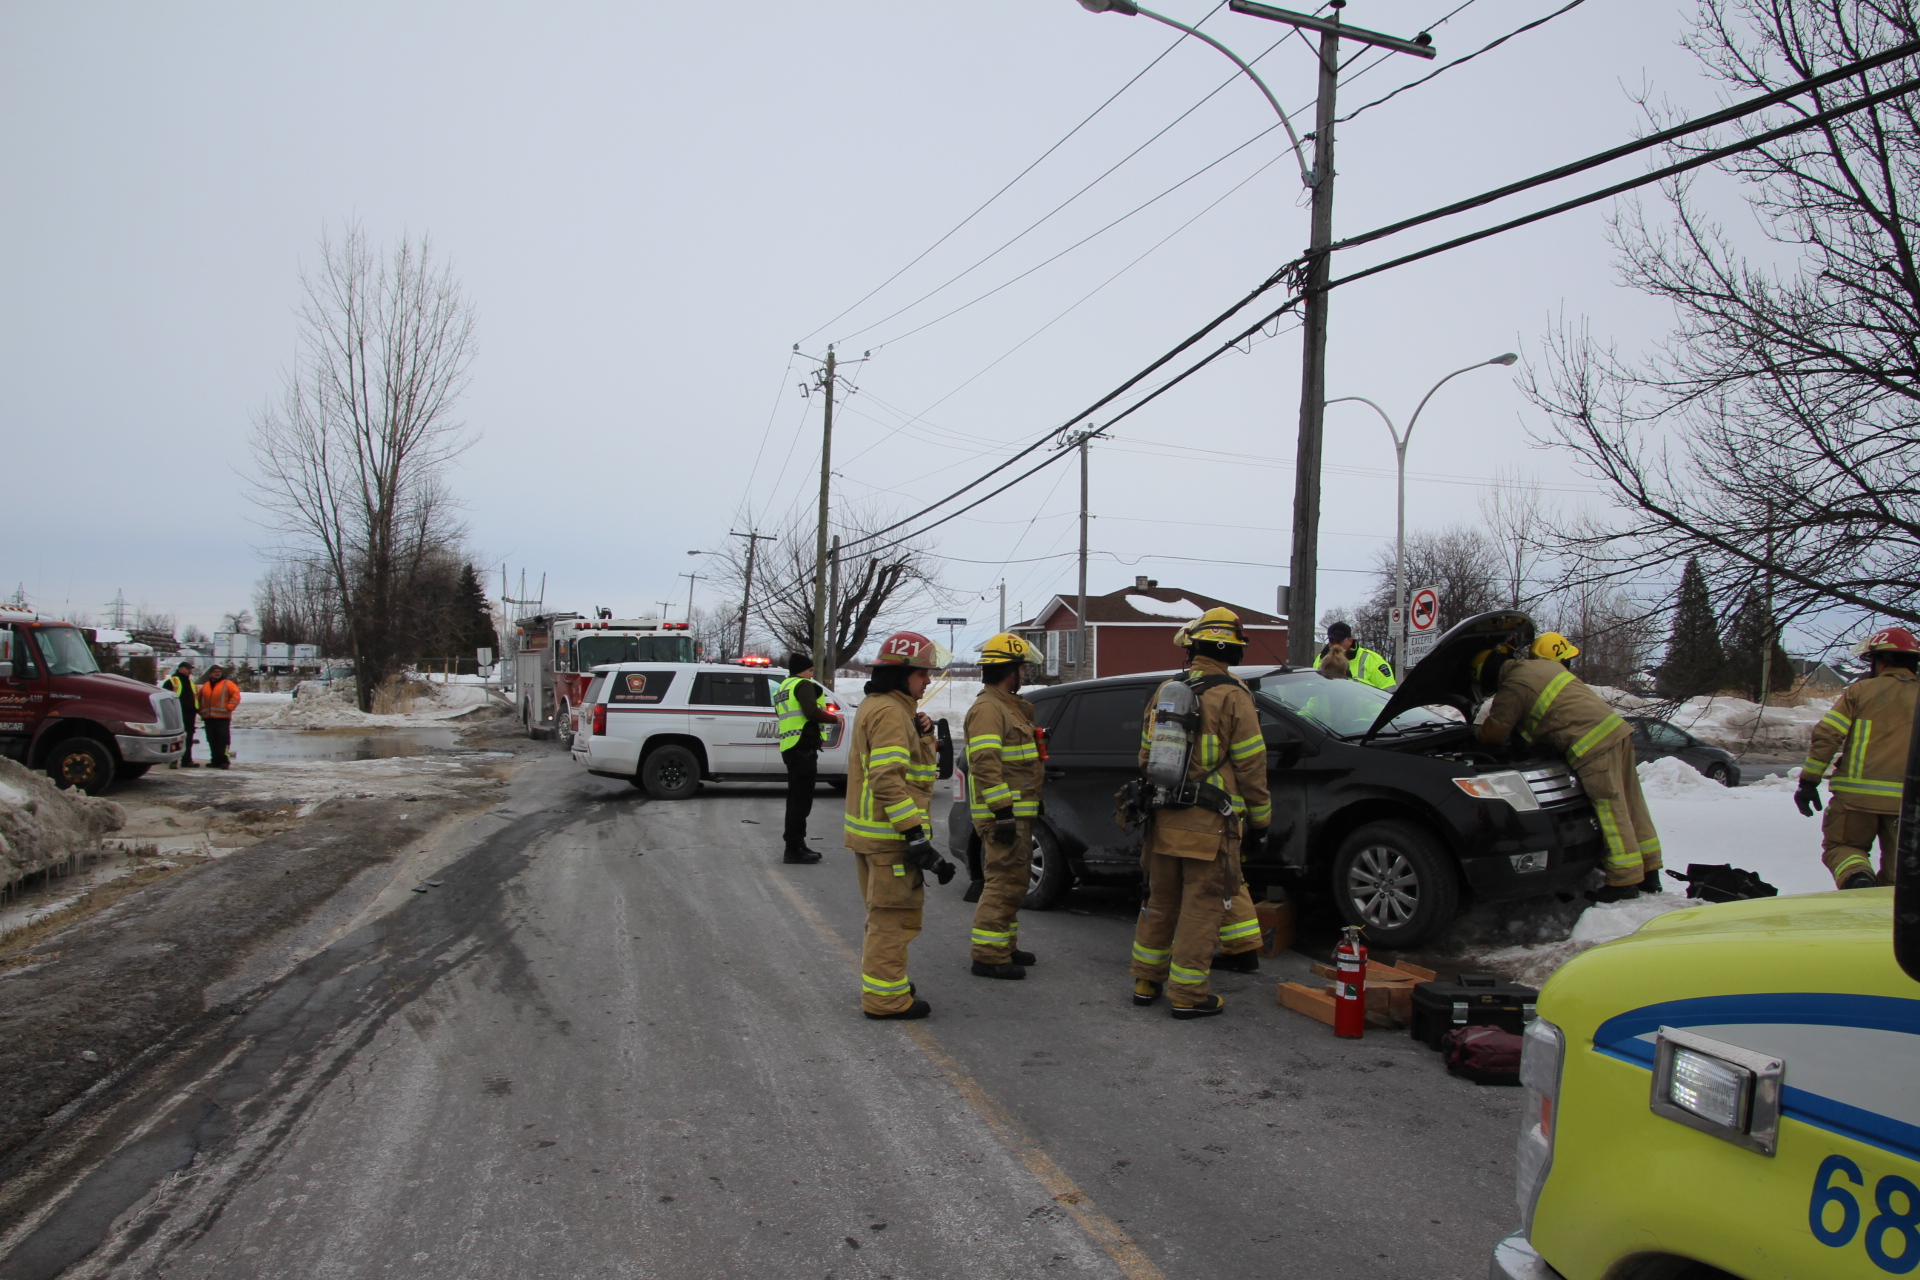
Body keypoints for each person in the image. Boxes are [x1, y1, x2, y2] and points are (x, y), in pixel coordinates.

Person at [1130, 608, 1271, 1020]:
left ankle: (1145, 981)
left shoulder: (1166, 691)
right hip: (1210, 823)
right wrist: (1261, 822)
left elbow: (1144, 756)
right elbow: (1251, 767)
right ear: (1230, 650)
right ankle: (1188, 996)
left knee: (1161, 901)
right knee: (1201, 906)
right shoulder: (1233, 695)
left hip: (1163, 817)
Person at [1475, 643, 1659, 902]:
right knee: (1631, 802)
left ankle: (1624, 880)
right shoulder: (1544, 667)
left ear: (1490, 675)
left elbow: (1495, 732)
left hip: (1592, 744)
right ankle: (1650, 870)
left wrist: (1476, 734)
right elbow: (1549, 714)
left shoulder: (1513, 686)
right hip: (1617, 732)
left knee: (1610, 808)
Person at [843, 631, 948, 1020]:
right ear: (902, 675)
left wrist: (921, 734)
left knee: (882, 915)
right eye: (922, 675)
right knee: (892, 918)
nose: (928, 681)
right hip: (890, 838)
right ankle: (885, 999)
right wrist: (915, 835)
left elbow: (909, 770)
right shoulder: (890, 712)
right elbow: (887, 779)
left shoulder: (881, 705)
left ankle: (889, 982)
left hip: (873, 836)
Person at [1796, 627, 1918, 889]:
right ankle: (1889, 919)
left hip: (1855, 801)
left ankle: (1858, 879)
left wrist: (1808, 781)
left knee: (1844, 847)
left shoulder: (1860, 692)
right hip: (1908, 805)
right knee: (1902, 874)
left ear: (1881, 661)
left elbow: (1828, 735)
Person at [963, 633, 1044, 980]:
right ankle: (988, 956)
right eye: (1022, 668)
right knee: (1002, 882)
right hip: (1003, 816)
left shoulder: (1007, 706)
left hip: (1016, 812)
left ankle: (1004, 946)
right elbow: (984, 762)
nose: (1024, 674)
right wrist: (1002, 812)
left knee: (1015, 881)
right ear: (1011, 670)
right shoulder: (988, 710)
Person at [773, 653, 840, 864]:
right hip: (803, 748)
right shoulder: (802, 685)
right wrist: (833, 718)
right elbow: (811, 712)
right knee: (801, 802)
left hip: (790, 747)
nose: (812, 674)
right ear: (802, 670)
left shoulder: (783, 686)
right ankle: (793, 849)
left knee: (795, 800)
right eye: (810, 670)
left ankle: (796, 844)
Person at [1315, 621, 1395, 689]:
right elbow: (1313, 688)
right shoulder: (1320, 659)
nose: (1335, 645)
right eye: (1332, 641)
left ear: (1350, 641)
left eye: (1339, 641)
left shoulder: (1373, 660)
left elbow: (1388, 693)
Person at [197, 665, 242, 769]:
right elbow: (198, 699)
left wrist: (229, 707)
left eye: (219, 671)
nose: (217, 673)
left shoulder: (228, 684)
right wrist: (200, 711)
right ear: (210, 674)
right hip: (209, 718)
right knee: (212, 740)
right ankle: (215, 760)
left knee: (223, 739)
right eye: (215, 672)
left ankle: (224, 760)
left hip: (222, 717)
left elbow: (236, 695)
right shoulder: (205, 686)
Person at [161, 660, 201, 768]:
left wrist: (197, 709)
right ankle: (173, 760)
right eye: (188, 669)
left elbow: (195, 697)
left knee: (188, 737)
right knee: (177, 738)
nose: (190, 671)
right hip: (177, 714)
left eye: (190, 669)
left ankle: (187, 760)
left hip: (190, 713)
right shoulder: (172, 681)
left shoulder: (191, 682)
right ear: (180, 669)